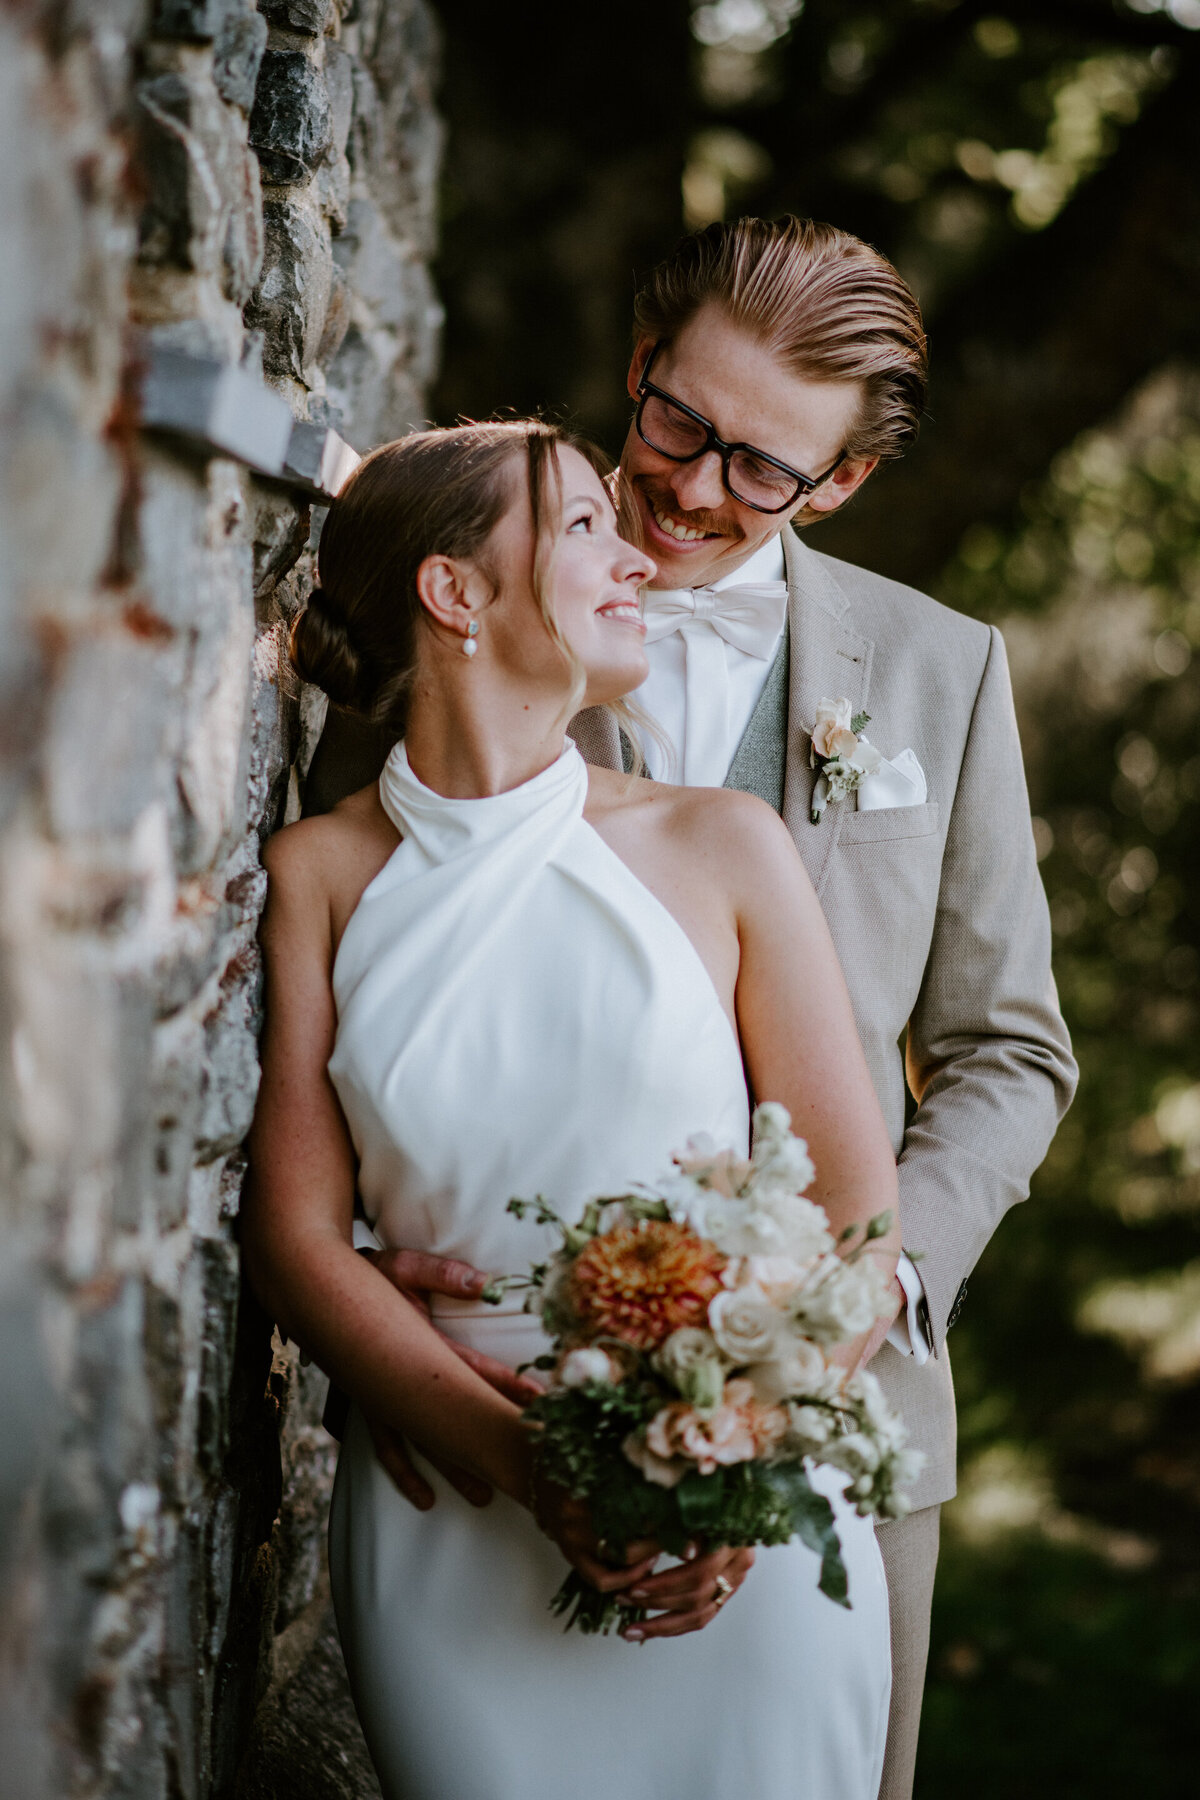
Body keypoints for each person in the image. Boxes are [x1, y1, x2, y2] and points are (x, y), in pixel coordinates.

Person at [303, 216, 1078, 1800]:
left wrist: (842, 1309)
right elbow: (347, 987)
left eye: (761, 469)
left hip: (829, 1427)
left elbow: (1012, 1052)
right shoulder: (469, 581)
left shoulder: (942, 672)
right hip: (483, 1423)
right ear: (641, 368)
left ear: (842, 485)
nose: (689, 488)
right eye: (677, 423)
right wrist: (382, 1302)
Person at [242, 418, 905, 1800]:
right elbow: (298, 1235)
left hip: (737, 1525)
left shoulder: (724, 846)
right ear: (456, 592)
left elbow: (855, 1208)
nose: (640, 563)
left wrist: (739, 1459)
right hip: (457, 1510)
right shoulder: (317, 874)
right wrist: (521, 1456)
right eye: (588, 525)